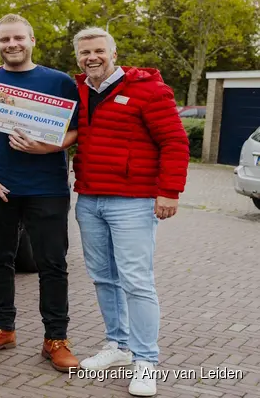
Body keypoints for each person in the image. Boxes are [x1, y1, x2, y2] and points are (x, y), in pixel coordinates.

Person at [0, 13, 80, 372]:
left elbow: (76, 132)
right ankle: (2, 328)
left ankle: (55, 339)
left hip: (47, 188)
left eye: (18, 38)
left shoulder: (59, 82)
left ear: (32, 40)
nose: (12, 45)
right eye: (5, 40)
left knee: (53, 264)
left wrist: (49, 148)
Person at [71, 27, 189, 397]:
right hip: (89, 199)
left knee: (136, 281)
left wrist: (169, 192)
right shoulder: (77, 91)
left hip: (133, 202)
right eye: (84, 52)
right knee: (104, 278)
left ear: (113, 52)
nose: (92, 57)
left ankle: (145, 360)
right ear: (77, 57)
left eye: (98, 50)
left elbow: (174, 141)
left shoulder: (149, 91)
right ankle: (117, 347)